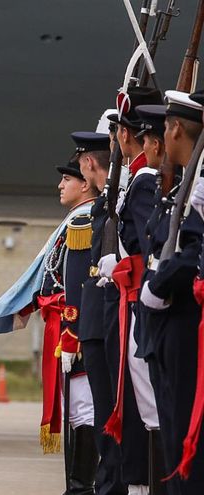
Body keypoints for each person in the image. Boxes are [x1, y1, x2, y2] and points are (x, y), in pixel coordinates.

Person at [99, 87, 163, 495]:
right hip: (135, 301)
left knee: (148, 407)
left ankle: (146, 485)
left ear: (127, 135)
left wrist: (122, 266)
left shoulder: (143, 182)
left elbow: (149, 250)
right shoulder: (138, 180)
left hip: (142, 305)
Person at [143, 90, 204, 492]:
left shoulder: (200, 183)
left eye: (164, 128)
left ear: (176, 128)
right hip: (171, 319)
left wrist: (158, 284)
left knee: (185, 436)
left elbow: (197, 250)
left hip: (184, 318)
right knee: (173, 428)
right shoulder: (188, 180)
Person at [75, 129, 127, 495]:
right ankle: (107, 483)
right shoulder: (106, 201)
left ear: (89, 163)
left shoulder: (115, 201)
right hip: (98, 318)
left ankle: (113, 485)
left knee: (110, 412)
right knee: (104, 413)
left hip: (108, 317)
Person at [43, 159, 98, 493]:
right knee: (77, 409)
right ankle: (77, 485)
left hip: (74, 326)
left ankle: (81, 486)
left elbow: (79, 284)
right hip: (61, 323)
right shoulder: (71, 222)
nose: (61, 186)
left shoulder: (84, 221)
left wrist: (71, 334)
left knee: (83, 409)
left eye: (67, 179)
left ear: (85, 184)